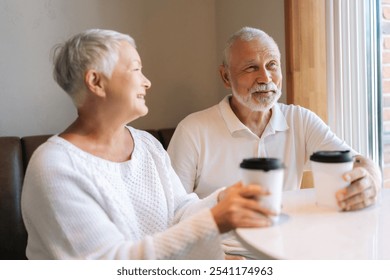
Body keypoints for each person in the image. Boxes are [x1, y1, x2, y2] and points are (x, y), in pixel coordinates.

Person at [21, 29, 273, 260]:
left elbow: (180, 212)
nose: (147, 82)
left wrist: (221, 199)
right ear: (96, 82)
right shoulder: (54, 166)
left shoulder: (146, 145)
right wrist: (213, 221)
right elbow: (111, 263)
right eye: (135, 69)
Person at [167, 27, 382, 256]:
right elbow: (170, 214)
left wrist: (371, 179)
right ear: (226, 77)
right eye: (251, 67)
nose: (265, 78)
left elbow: (356, 160)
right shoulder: (192, 130)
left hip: (286, 253)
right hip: (220, 257)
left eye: (272, 65)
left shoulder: (300, 120)